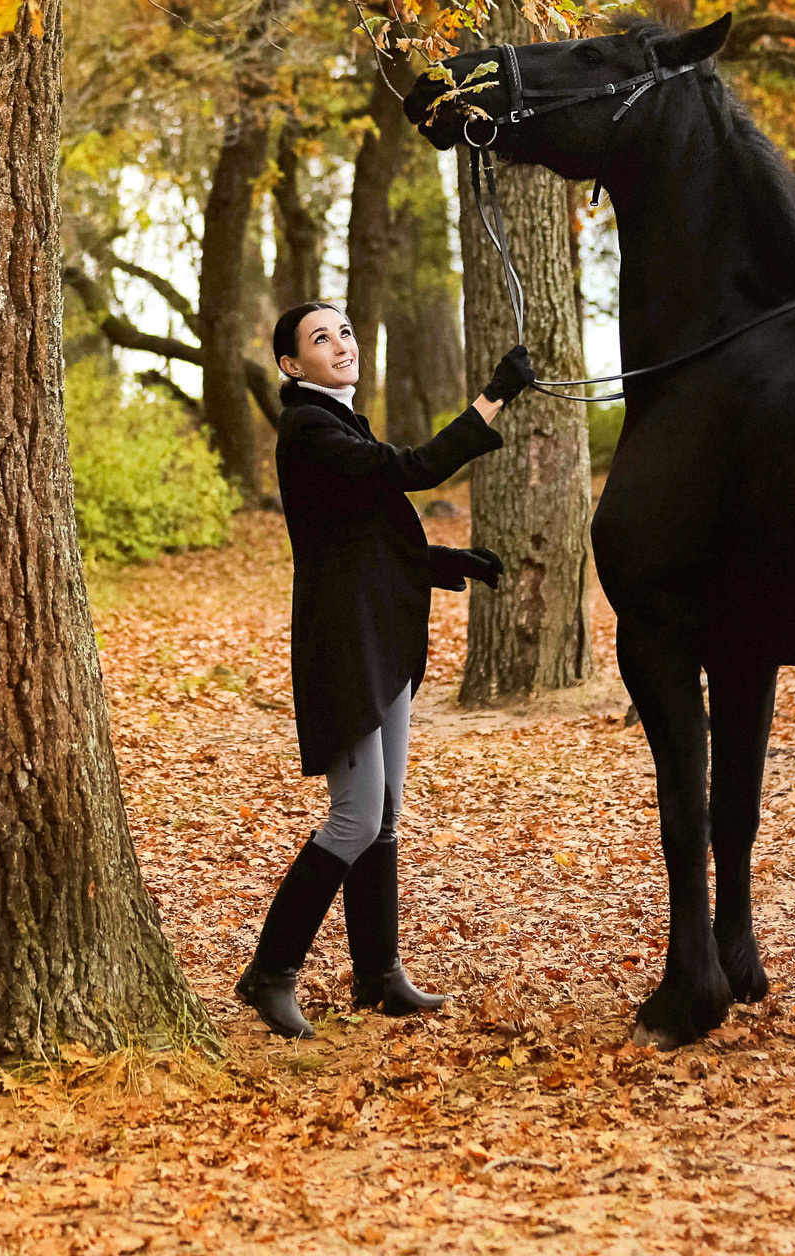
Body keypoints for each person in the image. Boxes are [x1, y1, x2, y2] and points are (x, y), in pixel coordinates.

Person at [235, 300, 539, 1038]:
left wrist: (442, 562)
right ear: (290, 365)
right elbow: (413, 470)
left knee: (385, 817)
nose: (339, 343)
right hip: (343, 648)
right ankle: (269, 973)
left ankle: (378, 977)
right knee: (356, 815)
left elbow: (361, 536)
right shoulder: (308, 428)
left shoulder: (338, 421)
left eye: (345, 329)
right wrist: (492, 397)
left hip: (379, 638)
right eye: (319, 338)